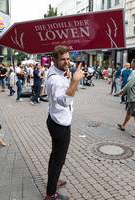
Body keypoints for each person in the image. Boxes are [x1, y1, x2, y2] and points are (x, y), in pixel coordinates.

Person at [44, 45, 83, 200]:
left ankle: (53, 181)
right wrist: (75, 80)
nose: (66, 62)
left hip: (55, 119)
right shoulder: (56, 80)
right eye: (62, 59)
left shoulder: (56, 72)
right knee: (58, 160)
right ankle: (51, 194)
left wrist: (69, 77)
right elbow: (65, 100)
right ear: (54, 60)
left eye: (68, 58)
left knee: (55, 156)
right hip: (60, 123)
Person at [117, 58, 135, 140]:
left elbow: (129, 84)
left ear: (134, 64)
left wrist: (121, 92)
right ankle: (123, 125)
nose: (130, 64)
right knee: (129, 112)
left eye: (131, 63)